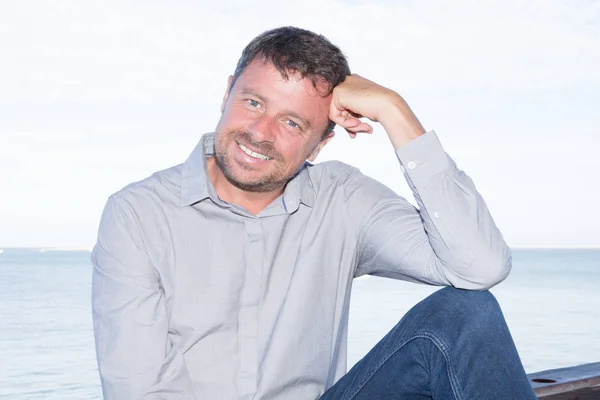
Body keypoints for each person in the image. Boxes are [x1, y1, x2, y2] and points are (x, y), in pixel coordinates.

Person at [91, 26, 537, 399]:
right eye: (253, 102)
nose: (260, 133)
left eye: (292, 123)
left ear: (321, 142)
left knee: (466, 314)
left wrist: (393, 109)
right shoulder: (137, 215)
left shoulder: (342, 199)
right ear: (227, 92)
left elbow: (480, 266)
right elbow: (141, 390)